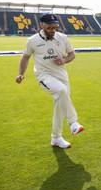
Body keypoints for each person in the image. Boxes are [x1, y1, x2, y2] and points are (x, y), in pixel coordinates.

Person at [15, 13, 84, 149]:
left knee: (59, 106)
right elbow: (25, 57)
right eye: (49, 27)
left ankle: (56, 138)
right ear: (42, 25)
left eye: (55, 27)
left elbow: (72, 54)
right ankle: (73, 122)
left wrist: (64, 60)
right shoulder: (32, 41)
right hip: (44, 76)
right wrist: (21, 74)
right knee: (61, 91)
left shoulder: (63, 38)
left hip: (62, 76)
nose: (53, 30)